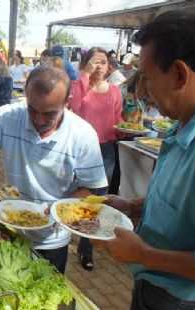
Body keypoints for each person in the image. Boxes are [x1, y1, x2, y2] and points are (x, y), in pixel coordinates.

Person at [94, 11, 195, 310]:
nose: (146, 93)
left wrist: (143, 254)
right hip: (156, 288)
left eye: (149, 79)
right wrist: (134, 207)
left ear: (179, 75)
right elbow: (188, 205)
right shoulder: (187, 123)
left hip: (187, 302)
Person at [0, 66, 108, 273]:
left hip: (52, 240)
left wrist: (58, 209)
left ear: (66, 102)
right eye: (32, 110)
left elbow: (93, 188)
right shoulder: (10, 116)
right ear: (26, 95)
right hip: (9, 228)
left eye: (49, 114)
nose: (39, 121)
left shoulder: (83, 135)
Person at [69, 47, 124, 271]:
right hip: (79, 149)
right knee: (72, 194)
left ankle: (86, 247)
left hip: (106, 149)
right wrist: (84, 77)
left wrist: (125, 130)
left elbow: (118, 120)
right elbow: (73, 111)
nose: (99, 66)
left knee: (96, 201)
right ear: (85, 64)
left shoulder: (115, 91)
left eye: (103, 62)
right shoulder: (78, 86)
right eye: (94, 61)